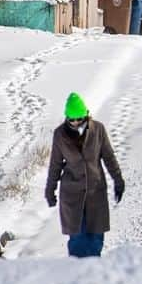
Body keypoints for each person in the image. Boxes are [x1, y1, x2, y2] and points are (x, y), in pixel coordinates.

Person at [44, 92, 124, 257]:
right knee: (78, 242)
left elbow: (108, 156)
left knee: (95, 240)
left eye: (78, 118)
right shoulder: (60, 134)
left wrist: (118, 180)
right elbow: (55, 164)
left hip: (96, 192)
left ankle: (94, 277)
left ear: (86, 115)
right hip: (72, 195)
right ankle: (77, 276)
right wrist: (50, 190)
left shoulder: (98, 130)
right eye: (71, 119)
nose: (75, 123)